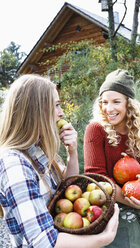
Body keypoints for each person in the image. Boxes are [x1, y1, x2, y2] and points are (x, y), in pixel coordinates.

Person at [0, 74, 119, 248]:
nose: (61, 113)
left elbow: (67, 188)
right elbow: (45, 243)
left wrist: (72, 153)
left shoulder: (37, 150)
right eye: (56, 105)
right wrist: (105, 237)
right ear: (36, 111)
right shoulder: (15, 165)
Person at [84, 69, 140, 248]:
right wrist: (133, 199)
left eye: (116, 102)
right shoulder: (96, 130)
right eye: (104, 102)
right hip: (111, 211)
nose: (108, 108)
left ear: (129, 104)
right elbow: (96, 176)